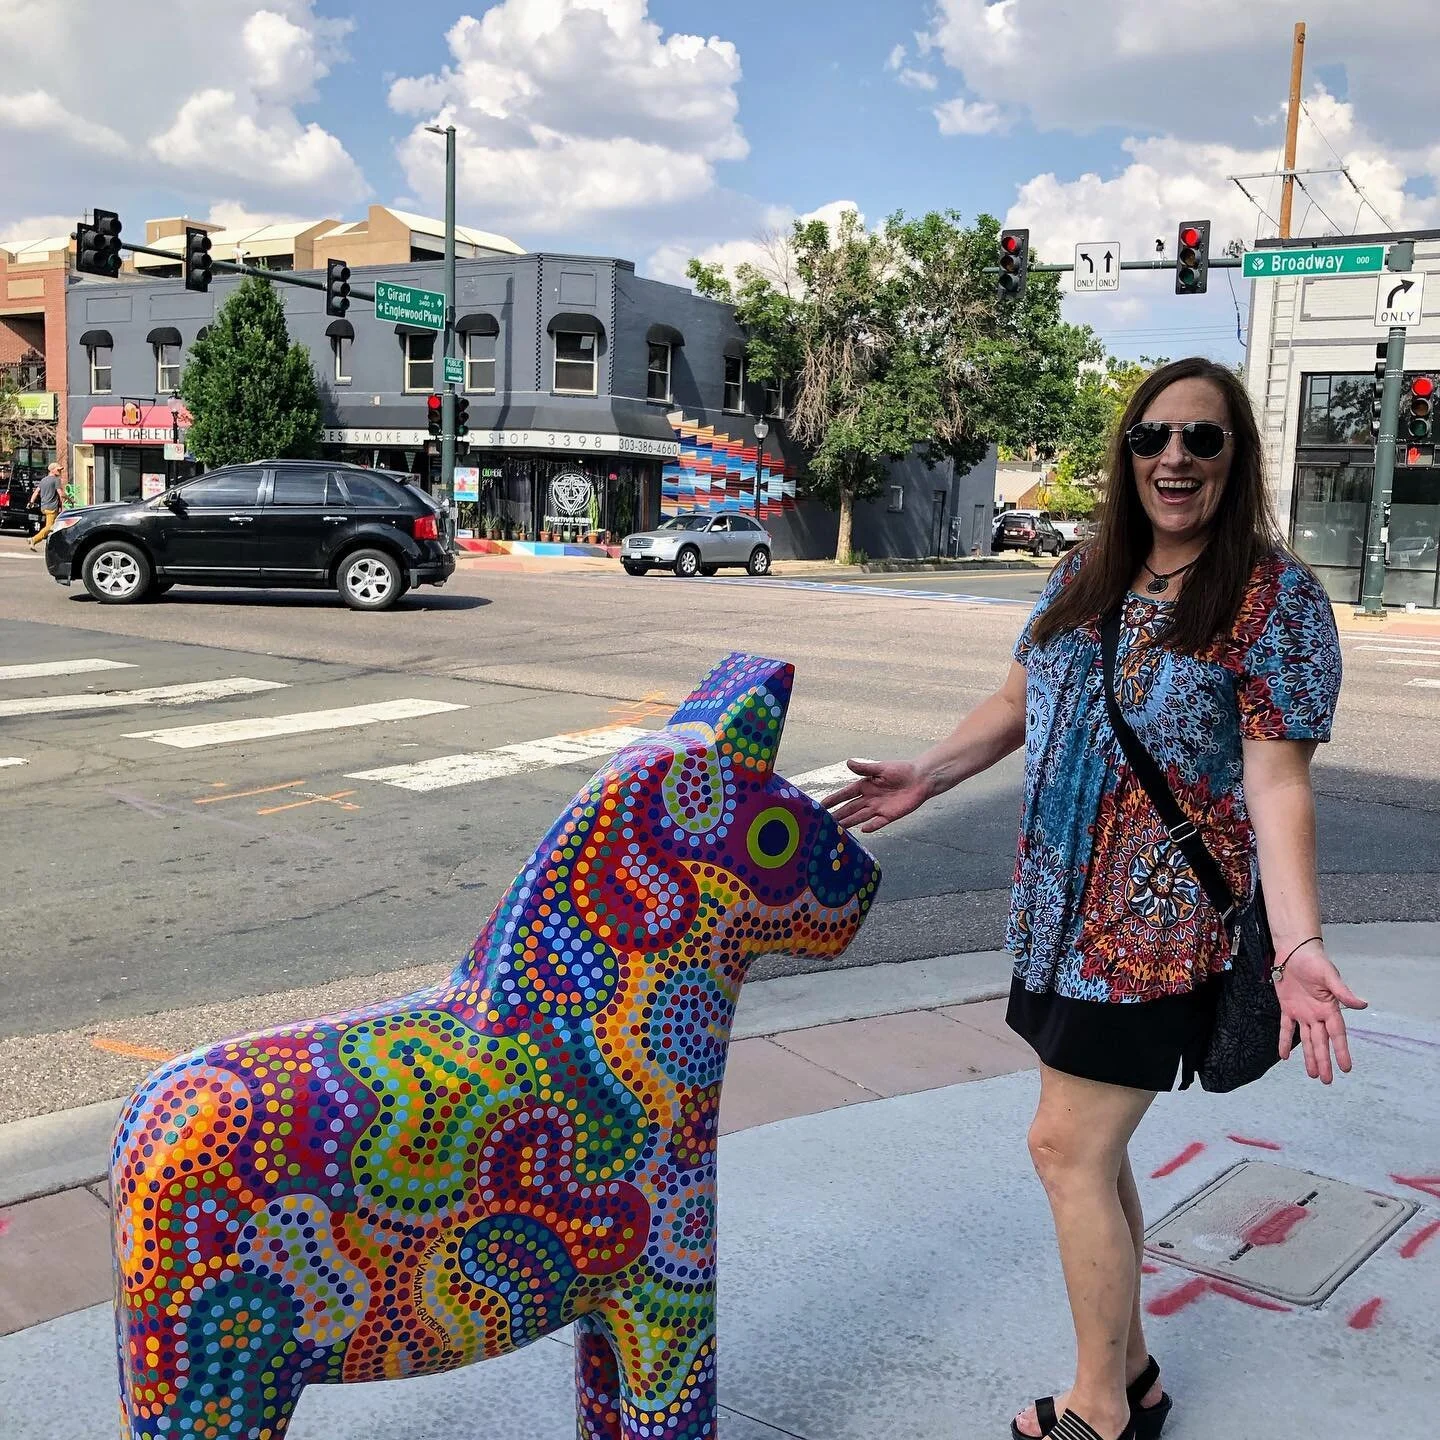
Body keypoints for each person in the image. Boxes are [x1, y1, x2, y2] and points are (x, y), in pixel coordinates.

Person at [826, 356, 1365, 1440]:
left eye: (1201, 440)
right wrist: (928, 774)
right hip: (1054, 921)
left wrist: (1298, 940)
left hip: (1157, 936)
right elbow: (1021, 695)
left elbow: (1278, 780)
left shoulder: (1273, 599)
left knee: (1063, 1150)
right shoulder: (1086, 568)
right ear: (1127, 455)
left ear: (1234, 457)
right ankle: (1137, 1372)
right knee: (1091, 1149)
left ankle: (1103, 1412)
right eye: (1152, 437)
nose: (1174, 458)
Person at [27, 461, 65, 549]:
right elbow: (61, 494)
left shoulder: (43, 480)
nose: (60, 472)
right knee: (50, 527)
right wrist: (70, 500)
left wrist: (31, 502)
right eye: (58, 470)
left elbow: (36, 492)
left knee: (56, 527)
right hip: (52, 508)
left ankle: (56, 545)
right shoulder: (56, 480)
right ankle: (33, 539)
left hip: (44, 507)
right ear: (52, 470)